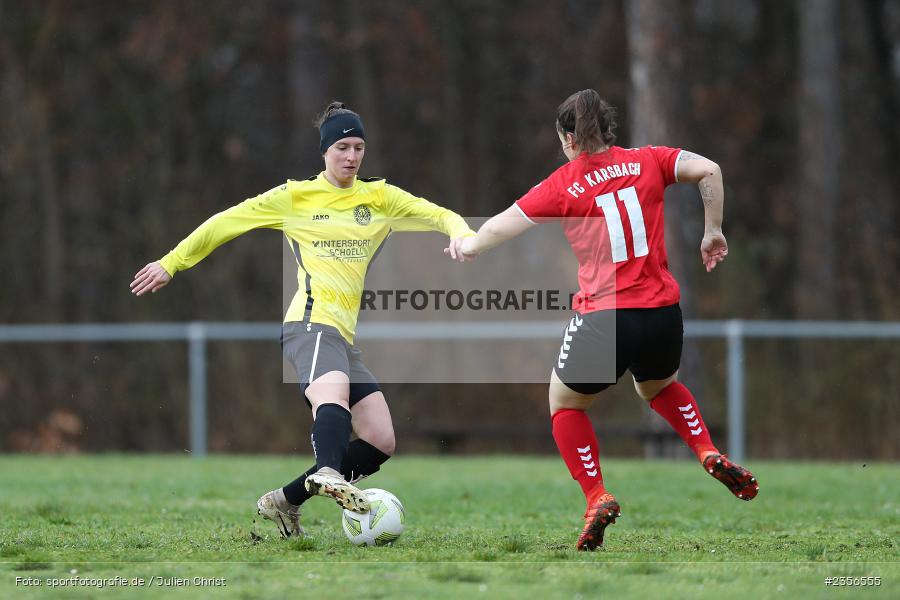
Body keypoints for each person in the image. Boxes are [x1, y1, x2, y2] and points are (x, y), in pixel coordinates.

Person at [131, 101, 475, 538]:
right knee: (331, 396)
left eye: (359, 147)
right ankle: (327, 472)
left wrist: (460, 233)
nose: (351, 156)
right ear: (325, 151)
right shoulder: (295, 197)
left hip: (342, 336)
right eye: (342, 147)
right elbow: (226, 222)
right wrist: (172, 262)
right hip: (309, 324)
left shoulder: (381, 198)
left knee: (380, 439)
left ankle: (286, 500)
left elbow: (439, 214)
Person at [453, 89, 758, 551]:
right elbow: (709, 170)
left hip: (605, 317)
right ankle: (707, 450)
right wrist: (712, 229)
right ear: (608, 129)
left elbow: (500, 225)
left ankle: (597, 495)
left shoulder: (563, 183)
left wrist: (470, 245)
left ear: (569, 138)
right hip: (660, 313)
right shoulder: (649, 160)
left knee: (566, 405)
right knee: (657, 386)